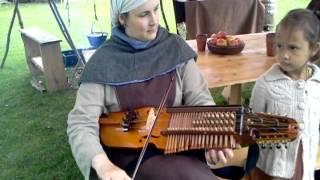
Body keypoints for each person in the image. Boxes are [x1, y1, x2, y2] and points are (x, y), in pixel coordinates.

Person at [67, 0, 235, 179]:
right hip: (132, 157)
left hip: (183, 143)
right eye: (144, 14)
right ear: (123, 18)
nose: (154, 20)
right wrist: (103, 164)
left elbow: (200, 98)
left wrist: (212, 132)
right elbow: (82, 123)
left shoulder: (175, 47)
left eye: (155, 10)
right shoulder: (103, 62)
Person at [247, 9, 320, 180]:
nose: (284, 55)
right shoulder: (265, 85)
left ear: (314, 49)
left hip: (305, 166)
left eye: (293, 48)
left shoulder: (318, 84)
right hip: (271, 169)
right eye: (280, 46)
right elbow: (251, 127)